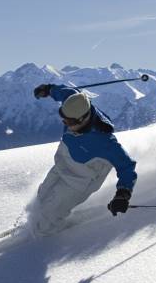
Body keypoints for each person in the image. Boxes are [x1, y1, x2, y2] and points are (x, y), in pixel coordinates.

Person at [28, 83, 137, 237]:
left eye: (70, 122)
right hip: (62, 165)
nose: (66, 124)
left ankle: (51, 230)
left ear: (83, 119)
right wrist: (49, 89)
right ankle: (41, 218)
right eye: (64, 119)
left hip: (78, 182)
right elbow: (67, 92)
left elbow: (127, 167)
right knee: (42, 195)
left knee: (47, 220)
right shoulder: (75, 103)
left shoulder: (105, 142)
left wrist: (123, 194)